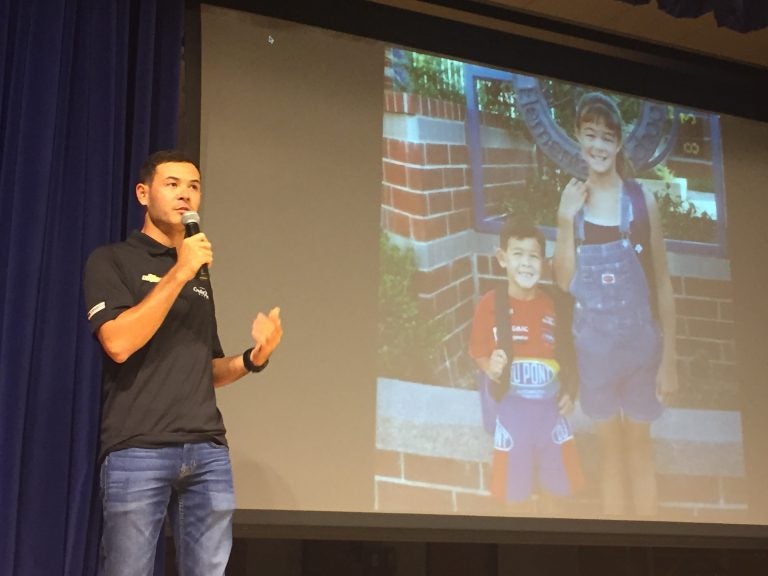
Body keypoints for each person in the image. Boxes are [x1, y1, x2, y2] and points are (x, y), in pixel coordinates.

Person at [83, 149, 283, 575]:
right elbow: (118, 343)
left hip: (206, 449)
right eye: (172, 184)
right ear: (143, 193)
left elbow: (206, 370)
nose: (185, 195)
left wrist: (254, 357)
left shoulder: (198, 275)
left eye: (193, 187)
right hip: (138, 446)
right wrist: (179, 272)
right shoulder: (111, 260)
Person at [553, 92, 677, 517]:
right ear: (578, 137)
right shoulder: (572, 201)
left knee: (640, 453)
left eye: (608, 137)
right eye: (591, 135)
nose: (599, 146)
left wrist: (670, 359)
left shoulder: (642, 201)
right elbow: (564, 281)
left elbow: (661, 282)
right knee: (609, 455)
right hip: (596, 356)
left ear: (619, 143)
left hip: (643, 352)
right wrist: (564, 218)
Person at [469, 216, 582, 513]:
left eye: (533, 256)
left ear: (544, 264)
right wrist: (489, 367)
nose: (526, 263)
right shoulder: (490, 304)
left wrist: (571, 392)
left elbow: (569, 357)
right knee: (514, 494)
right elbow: (478, 350)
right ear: (502, 258)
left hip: (550, 413)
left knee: (555, 490)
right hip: (511, 412)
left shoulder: (555, 305)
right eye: (517, 254)